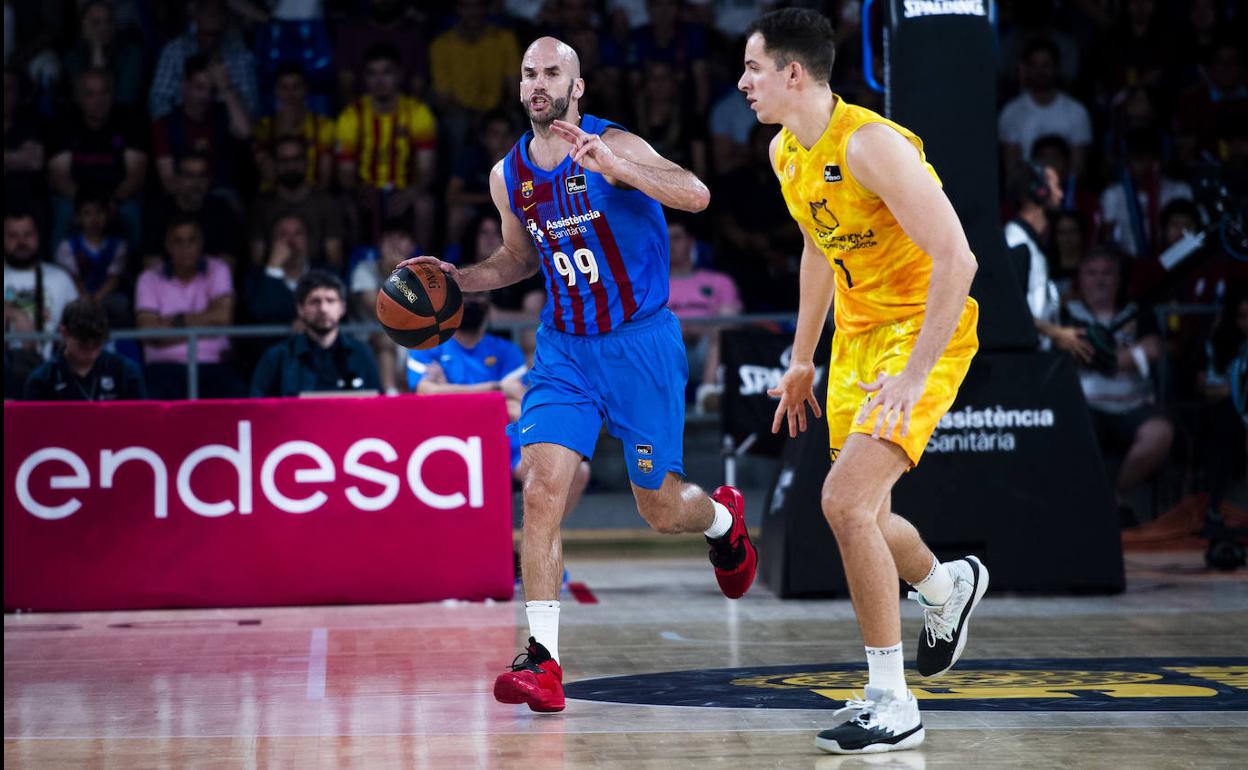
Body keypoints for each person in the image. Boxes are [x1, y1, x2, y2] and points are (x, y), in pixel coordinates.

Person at [397, 36, 756, 714]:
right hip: (565, 349)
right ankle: (543, 661)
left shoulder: (612, 143)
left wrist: (625, 168)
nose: (538, 84)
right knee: (540, 489)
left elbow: (698, 193)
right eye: (529, 74)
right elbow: (518, 258)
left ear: (577, 87)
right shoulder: (509, 175)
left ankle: (720, 521)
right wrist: (460, 280)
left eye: (552, 73)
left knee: (659, 507)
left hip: (641, 345)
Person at [740, 9, 988, 754]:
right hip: (855, 338)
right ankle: (946, 587)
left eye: (753, 68)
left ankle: (893, 701)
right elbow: (820, 249)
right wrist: (801, 357)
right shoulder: (789, 151)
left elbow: (959, 259)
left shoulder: (871, 144)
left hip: (922, 331)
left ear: (793, 72)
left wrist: (914, 375)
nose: (742, 82)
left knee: (842, 502)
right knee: (868, 518)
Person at [1061, 248, 1173, 519]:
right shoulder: (1066, 314)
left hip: (1134, 405)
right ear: (1081, 278)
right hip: (1085, 406)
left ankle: (1115, 497)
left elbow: (1154, 348)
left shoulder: (1136, 312)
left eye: (1107, 273)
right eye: (1092, 273)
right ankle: (1086, 509)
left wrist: (1101, 358)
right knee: (1064, 434)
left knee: (1160, 433)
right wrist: (1129, 357)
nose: (1100, 280)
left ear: (1119, 279)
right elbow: (1061, 354)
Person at [336, 42, 437, 249]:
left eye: (386, 72)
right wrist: (359, 190)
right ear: (364, 79)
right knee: (345, 206)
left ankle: (423, 267)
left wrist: (410, 193)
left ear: (399, 75)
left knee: (425, 205)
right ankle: (356, 264)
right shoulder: (350, 116)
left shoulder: (418, 113)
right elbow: (345, 173)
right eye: (372, 74)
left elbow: (426, 169)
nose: (379, 81)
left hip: (405, 189)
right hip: (365, 190)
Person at [134, 215, 241, 399]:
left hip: (212, 365)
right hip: (163, 368)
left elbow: (223, 317)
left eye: (192, 240)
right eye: (178, 241)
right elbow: (149, 332)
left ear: (201, 243)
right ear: (168, 246)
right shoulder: (149, 278)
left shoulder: (218, 269)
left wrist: (176, 321)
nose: (185, 248)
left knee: (238, 396)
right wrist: (207, 324)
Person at [48, 67, 147, 250]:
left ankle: (135, 274)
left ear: (113, 94)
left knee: (131, 212)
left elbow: (136, 174)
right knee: (64, 212)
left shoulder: (129, 120)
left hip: (117, 198)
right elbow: (59, 176)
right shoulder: (64, 121)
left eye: (104, 92)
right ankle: (58, 275)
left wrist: (112, 201)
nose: (98, 100)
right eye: (90, 94)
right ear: (79, 97)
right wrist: (88, 207)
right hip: (76, 198)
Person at [1003, 161, 1088, 357]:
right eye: (1055, 186)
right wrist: (1056, 333)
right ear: (1039, 191)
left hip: (1034, 357)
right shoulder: (1016, 242)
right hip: (1021, 362)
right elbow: (1009, 310)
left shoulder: (1030, 243)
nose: (1060, 194)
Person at [251, 270, 380, 397]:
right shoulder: (277, 357)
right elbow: (258, 409)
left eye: (330, 300)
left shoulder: (362, 353)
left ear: (342, 308)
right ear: (300, 309)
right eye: (315, 301)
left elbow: (379, 404)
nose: (323, 309)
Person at [666, 214, 740, 410]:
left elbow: (731, 317)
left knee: (725, 323)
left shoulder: (719, 281)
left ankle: (708, 393)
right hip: (668, 349)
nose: (671, 244)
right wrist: (675, 331)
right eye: (666, 239)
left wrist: (704, 329)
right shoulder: (652, 284)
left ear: (691, 241)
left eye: (677, 238)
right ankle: (663, 402)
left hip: (708, 348)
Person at [151, 54, 252, 196]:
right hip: (182, 196)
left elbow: (245, 132)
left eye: (211, 89)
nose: (205, 96)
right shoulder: (165, 125)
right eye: (199, 88)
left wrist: (225, 87)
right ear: (185, 86)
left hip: (219, 194)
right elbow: (168, 179)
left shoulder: (223, 114)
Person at [998, 37, 1092, 179]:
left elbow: (1078, 169)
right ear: (1026, 69)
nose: (1040, 71)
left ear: (1057, 67)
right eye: (1034, 65)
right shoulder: (1011, 113)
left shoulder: (1077, 112)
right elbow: (1011, 170)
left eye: (1046, 65)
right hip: (1026, 193)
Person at [148, 0, 259, 120]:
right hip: (181, 128)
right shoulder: (175, 50)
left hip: (226, 130)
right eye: (206, 9)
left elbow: (250, 105)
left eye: (218, 10)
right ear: (195, 16)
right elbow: (159, 98)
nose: (212, 14)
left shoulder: (239, 55)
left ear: (225, 17)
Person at [24, 297, 145, 401]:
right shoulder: (42, 380)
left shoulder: (126, 372)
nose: (91, 354)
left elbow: (141, 420)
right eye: (83, 347)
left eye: (97, 345)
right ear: (64, 333)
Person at [250, 135, 344, 269]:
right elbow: (256, 263)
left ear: (306, 162)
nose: (291, 165)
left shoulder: (326, 203)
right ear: (275, 163)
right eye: (284, 160)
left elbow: (334, 261)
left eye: (296, 159)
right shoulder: (262, 206)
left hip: (315, 277)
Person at [4, 209, 79, 361]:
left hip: (50, 369)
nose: (21, 242)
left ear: (38, 237)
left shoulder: (60, 278)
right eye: (13, 236)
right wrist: (15, 314)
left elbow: (82, 322)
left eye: (28, 235)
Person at [253, 64, 335, 192]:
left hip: (313, 197)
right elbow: (267, 175)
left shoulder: (324, 126)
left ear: (306, 89)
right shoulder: (263, 127)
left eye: (296, 87)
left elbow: (325, 178)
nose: (290, 94)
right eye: (284, 87)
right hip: (273, 200)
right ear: (276, 91)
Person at [52, 191, 129, 326]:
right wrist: (85, 298)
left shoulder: (118, 246)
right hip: (76, 295)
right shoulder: (67, 246)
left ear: (108, 215)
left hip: (105, 297)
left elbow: (113, 280)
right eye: (87, 213)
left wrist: (95, 299)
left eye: (99, 212)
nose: (94, 219)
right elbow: (72, 278)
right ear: (78, 217)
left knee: (120, 303)